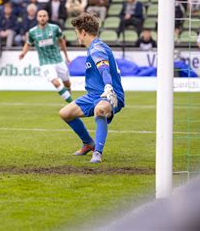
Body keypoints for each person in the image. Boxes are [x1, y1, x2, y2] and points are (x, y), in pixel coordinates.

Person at [59, 13, 124, 163]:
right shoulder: (94, 47)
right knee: (65, 113)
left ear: (83, 32)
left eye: (77, 33)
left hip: (109, 93)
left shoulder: (97, 48)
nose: (77, 37)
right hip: (93, 95)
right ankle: (88, 143)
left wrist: (108, 85)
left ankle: (98, 153)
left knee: (99, 110)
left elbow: (104, 68)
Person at [19, 9, 72, 103]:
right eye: (40, 16)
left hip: (58, 59)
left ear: (47, 17)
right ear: (37, 18)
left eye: (44, 16)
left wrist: (66, 56)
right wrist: (23, 53)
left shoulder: (55, 28)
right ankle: (72, 103)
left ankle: (69, 97)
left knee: (67, 83)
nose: (42, 18)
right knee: (55, 82)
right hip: (45, 62)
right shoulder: (32, 32)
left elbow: (61, 41)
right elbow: (28, 43)